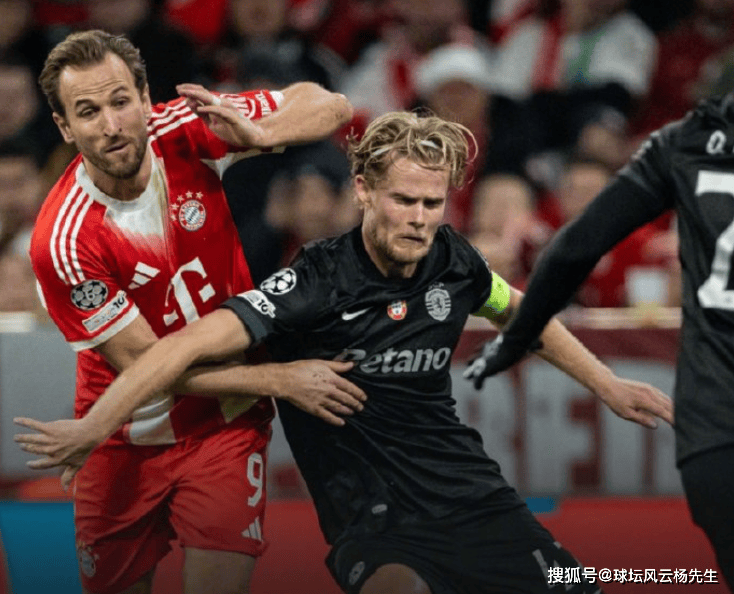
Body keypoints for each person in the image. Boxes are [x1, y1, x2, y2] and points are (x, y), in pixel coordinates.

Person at [16, 111, 673, 594]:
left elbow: (522, 314)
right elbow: (182, 349)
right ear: (362, 190)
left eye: (433, 203)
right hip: (371, 519)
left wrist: (609, 386)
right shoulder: (313, 281)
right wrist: (97, 426)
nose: (420, 218)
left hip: (474, 500)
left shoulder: (455, 259)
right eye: (403, 200)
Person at [25, 29, 361, 594]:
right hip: (124, 438)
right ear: (64, 127)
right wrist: (280, 379)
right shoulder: (64, 241)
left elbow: (331, 104)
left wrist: (264, 131)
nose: (111, 125)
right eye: (87, 112)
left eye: (120, 101)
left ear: (144, 97)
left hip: (225, 425)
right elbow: (151, 367)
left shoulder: (184, 128)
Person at [464, 93, 734, 590]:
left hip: (711, 432)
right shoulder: (520, 241)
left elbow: (560, 265)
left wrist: (515, 340)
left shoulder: (680, 154)